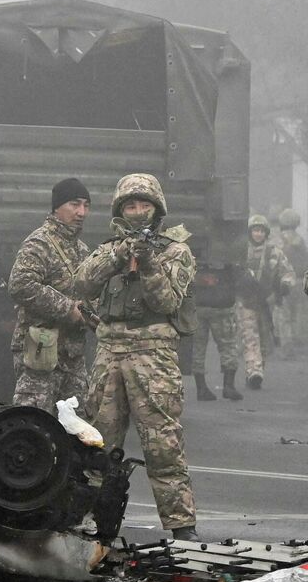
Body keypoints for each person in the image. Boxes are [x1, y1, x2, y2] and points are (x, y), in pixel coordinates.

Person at [73, 173, 199, 541]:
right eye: (131, 205)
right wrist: (118, 256)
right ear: (120, 210)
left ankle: (181, 526)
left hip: (153, 353)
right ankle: (93, 522)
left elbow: (167, 301)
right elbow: (82, 283)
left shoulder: (175, 251)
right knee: (98, 443)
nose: (138, 211)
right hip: (109, 351)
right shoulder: (109, 248)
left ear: (157, 209)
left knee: (163, 443)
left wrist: (148, 264)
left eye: (144, 205)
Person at [7, 177, 95, 415]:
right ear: (57, 206)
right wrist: (68, 309)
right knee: (33, 422)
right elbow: (21, 285)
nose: (81, 212)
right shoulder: (39, 243)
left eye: (86, 205)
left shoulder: (82, 250)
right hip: (41, 350)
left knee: (77, 426)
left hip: (72, 354)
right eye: (75, 204)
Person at [236, 215, 294, 390]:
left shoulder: (274, 252)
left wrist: (285, 284)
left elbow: (287, 272)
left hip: (266, 303)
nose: (258, 234)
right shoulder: (241, 251)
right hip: (245, 301)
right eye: (255, 230)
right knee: (249, 337)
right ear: (250, 232)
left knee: (263, 341)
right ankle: (254, 371)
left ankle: (257, 370)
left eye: (261, 231)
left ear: (266, 233)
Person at [188, 234, 243, 401]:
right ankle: (228, 386)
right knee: (227, 345)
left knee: (198, 348)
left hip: (198, 305)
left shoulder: (191, 248)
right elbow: (239, 275)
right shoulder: (230, 247)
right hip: (222, 305)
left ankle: (201, 388)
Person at [273, 208, 306, 354]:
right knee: (297, 313)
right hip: (299, 282)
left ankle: (287, 346)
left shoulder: (279, 240)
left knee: (283, 314)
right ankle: (299, 341)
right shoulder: (301, 241)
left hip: (284, 282)